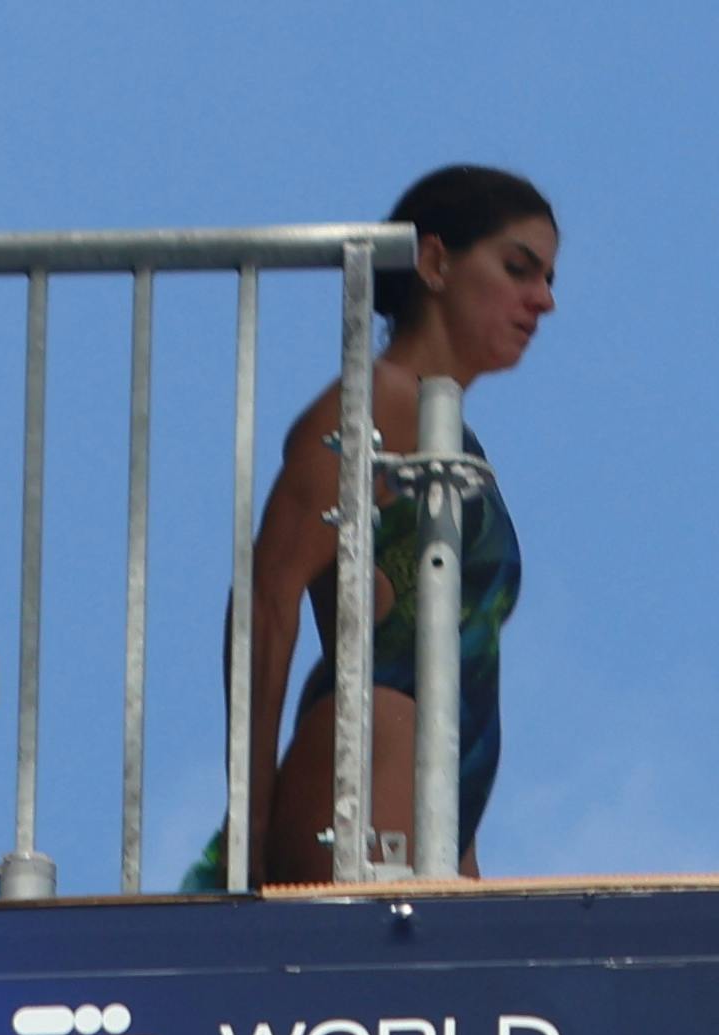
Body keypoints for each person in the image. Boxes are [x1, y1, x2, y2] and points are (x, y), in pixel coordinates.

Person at [205, 165, 554, 887]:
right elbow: (265, 604)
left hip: (434, 796)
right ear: (434, 262)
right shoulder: (365, 412)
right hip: (372, 759)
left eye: (548, 279)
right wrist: (253, 810)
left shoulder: (448, 430)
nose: (542, 300)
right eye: (519, 269)